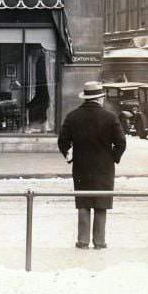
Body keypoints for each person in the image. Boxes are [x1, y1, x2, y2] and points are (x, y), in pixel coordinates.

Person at [58, 81, 127, 249]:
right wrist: (113, 157)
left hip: (81, 166)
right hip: (104, 167)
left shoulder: (72, 116)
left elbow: (62, 142)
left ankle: (82, 241)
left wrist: (69, 157)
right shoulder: (110, 117)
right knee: (101, 204)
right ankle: (99, 241)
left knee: (83, 203)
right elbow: (121, 142)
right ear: (100, 99)